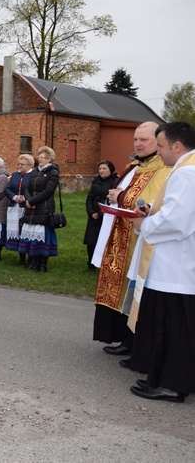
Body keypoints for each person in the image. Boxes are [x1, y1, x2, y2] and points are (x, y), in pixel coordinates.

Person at [126, 121, 195, 402]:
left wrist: (145, 224)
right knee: (168, 327)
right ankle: (163, 378)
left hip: (175, 270)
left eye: (162, 147)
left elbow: (177, 221)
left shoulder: (186, 174)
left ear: (177, 146)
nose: (160, 153)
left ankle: (172, 384)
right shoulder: (184, 170)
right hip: (174, 267)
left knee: (173, 329)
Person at [92, 122, 169, 355]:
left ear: (159, 141)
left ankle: (133, 340)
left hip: (139, 240)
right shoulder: (135, 165)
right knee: (121, 286)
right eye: (136, 139)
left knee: (134, 289)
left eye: (144, 140)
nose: (138, 143)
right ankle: (122, 335)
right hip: (119, 233)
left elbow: (150, 201)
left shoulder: (162, 168)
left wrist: (120, 196)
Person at [18, 146, 59, 272]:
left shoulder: (53, 172)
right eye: (38, 157)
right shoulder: (34, 172)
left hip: (44, 208)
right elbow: (26, 188)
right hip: (31, 208)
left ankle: (42, 264)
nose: (39, 159)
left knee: (42, 238)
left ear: (49, 159)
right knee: (31, 237)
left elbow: (48, 191)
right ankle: (32, 262)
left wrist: (32, 201)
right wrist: (28, 200)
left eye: (42, 157)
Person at [82, 160, 117, 272]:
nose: (101, 171)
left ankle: (105, 264)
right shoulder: (96, 181)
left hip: (106, 215)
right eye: (100, 169)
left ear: (110, 170)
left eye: (104, 168)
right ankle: (91, 264)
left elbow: (112, 200)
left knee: (105, 240)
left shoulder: (115, 181)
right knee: (91, 241)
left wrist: (101, 213)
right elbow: (90, 197)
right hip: (93, 215)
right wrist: (91, 212)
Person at [4, 154, 34, 265]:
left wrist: (25, 198)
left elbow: (34, 190)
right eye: (19, 164)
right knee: (16, 231)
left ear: (29, 165)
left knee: (25, 231)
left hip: (26, 207)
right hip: (14, 207)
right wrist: (14, 197)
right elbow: (7, 189)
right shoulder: (15, 175)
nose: (20, 166)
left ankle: (30, 257)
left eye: (23, 164)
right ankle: (21, 258)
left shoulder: (33, 175)